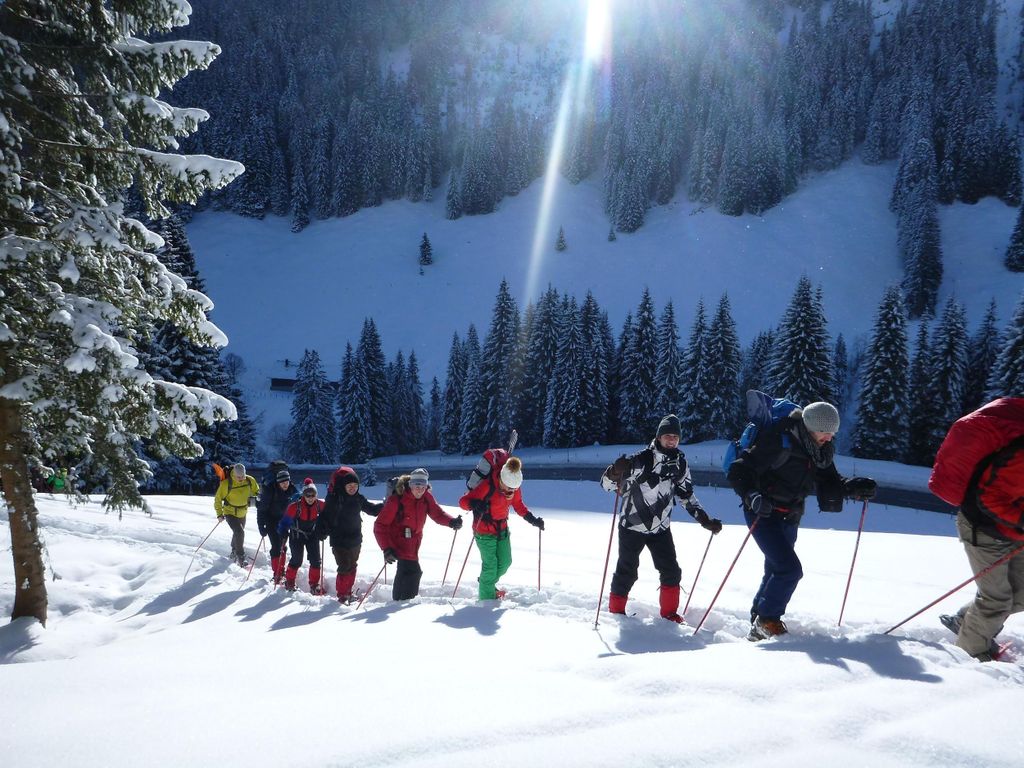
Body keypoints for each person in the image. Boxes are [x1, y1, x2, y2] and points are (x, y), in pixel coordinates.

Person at [726, 401, 876, 640]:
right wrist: (752, 496)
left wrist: (853, 488)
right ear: (809, 427)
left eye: (833, 432)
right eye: (825, 432)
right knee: (789, 570)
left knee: (776, 569)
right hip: (762, 513)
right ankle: (767, 620)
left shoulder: (819, 450)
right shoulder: (779, 440)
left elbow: (830, 482)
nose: (830, 437)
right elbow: (739, 471)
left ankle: (758, 618)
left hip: (790, 515)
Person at [601, 414, 722, 623]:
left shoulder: (680, 464)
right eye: (667, 435)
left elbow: (686, 495)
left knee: (671, 571)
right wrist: (614, 472)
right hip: (631, 527)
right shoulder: (639, 459)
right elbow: (607, 486)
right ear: (658, 437)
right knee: (626, 572)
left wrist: (704, 519)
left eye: (675, 436)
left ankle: (669, 615)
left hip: (660, 529)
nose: (672, 440)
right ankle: (616, 614)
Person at [930, 397, 1024, 662]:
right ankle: (969, 659)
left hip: (1012, 530)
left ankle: (966, 623)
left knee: (1020, 593)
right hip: (983, 528)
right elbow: (989, 498)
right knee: (996, 600)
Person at [459, 455, 543, 600]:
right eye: (508, 488)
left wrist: (532, 520)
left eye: (514, 489)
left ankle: (487, 582)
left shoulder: (514, 486)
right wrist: (475, 505)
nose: (510, 492)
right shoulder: (487, 485)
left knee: (505, 562)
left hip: (502, 530)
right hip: (483, 532)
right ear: (501, 480)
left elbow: (518, 505)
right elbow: (463, 502)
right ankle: (486, 601)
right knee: (490, 566)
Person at [374, 468, 460, 600]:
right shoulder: (397, 500)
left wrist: (451, 522)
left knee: (405, 571)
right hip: (397, 541)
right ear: (410, 485)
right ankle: (404, 603)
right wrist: (386, 548)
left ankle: (400, 602)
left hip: (414, 541)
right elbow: (380, 525)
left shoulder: (426, 497)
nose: (419, 489)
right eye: (416, 485)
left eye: (423, 486)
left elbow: (437, 514)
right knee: (412, 571)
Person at [318, 466, 382, 603]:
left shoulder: (359, 499)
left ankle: (348, 591)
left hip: (355, 539)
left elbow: (372, 509)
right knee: (344, 567)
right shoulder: (335, 499)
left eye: (355, 485)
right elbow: (325, 517)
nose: (352, 488)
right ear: (343, 486)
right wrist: (322, 530)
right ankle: (342, 595)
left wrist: (385, 505)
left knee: (352, 565)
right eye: (349, 485)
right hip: (339, 540)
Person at [278, 478, 325, 593]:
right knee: (297, 560)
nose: (310, 498)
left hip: (312, 535)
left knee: (316, 560)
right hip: (296, 535)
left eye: (312, 495)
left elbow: (328, 518)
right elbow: (284, 522)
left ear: (316, 495)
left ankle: (314, 585)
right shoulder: (295, 506)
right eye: (307, 495)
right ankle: (289, 582)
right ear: (303, 495)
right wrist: (283, 532)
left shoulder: (320, 505)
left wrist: (324, 530)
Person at [256, 468, 298, 584]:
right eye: (282, 482)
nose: (285, 484)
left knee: (282, 546)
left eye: (287, 482)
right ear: (278, 482)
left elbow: (299, 502)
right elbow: (261, 510)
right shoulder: (270, 491)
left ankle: (281, 570)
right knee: (276, 547)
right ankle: (277, 573)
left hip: (285, 522)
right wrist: (261, 526)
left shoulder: (292, 489)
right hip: (271, 521)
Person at [213, 462, 260, 566]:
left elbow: (257, 491)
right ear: (234, 474)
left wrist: (260, 499)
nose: (241, 478)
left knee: (238, 533)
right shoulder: (226, 484)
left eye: (243, 476)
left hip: (243, 512)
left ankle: (234, 551)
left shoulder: (249, 480)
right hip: (230, 512)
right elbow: (218, 499)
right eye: (239, 477)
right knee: (239, 532)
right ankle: (241, 557)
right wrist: (219, 514)